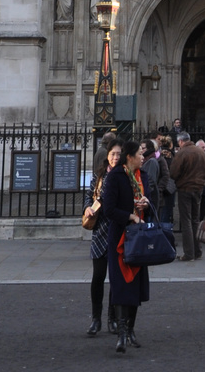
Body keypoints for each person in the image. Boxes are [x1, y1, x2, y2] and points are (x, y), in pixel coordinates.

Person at [103, 141, 151, 354]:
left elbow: (153, 205)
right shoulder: (115, 177)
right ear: (130, 156)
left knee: (136, 286)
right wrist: (129, 215)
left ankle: (130, 329)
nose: (143, 156)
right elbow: (108, 209)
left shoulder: (144, 177)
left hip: (139, 238)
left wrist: (146, 205)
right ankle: (122, 333)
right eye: (140, 153)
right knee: (121, 283)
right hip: (120, 238)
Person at [85, 141, 122, 336]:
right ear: (107, 156)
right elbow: (88, 197)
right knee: (98, 277)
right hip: (100, 231)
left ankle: (112, 319)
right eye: (112, 154)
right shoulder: (99, 177)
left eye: (118, 154)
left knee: (115, 279)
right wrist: (87, 208)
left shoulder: (125, 177)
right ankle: (95, 319)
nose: (115, 157)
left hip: (117, 231)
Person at [169, 133, 205, 262]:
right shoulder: (201, 152)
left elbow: (173, 173)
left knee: (186, 221)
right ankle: (197, 251)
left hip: (185, 188)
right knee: (195, 220)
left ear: (180, 142)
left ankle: (189, 253)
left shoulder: (181, 153)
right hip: (198, 188)